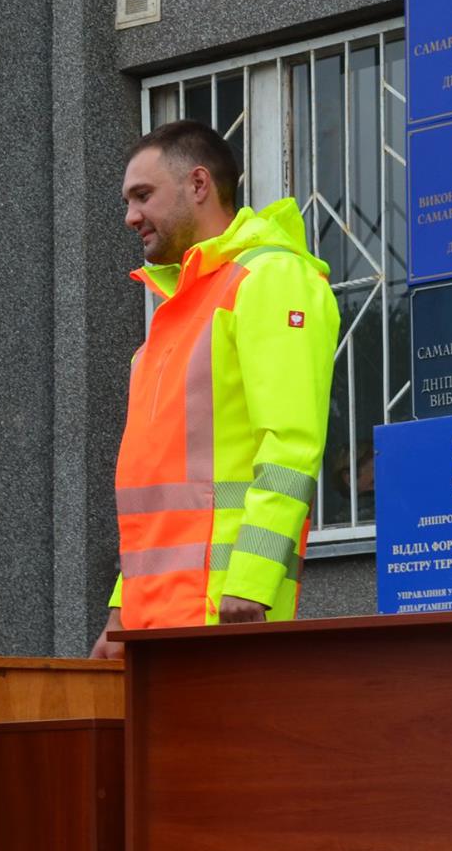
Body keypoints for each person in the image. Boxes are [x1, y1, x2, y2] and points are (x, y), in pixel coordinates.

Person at [89, 120, 339, 658]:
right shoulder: (180, 309)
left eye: (143, 195)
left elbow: (290, 443)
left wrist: (250, 580)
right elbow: (157, 495)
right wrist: (119, 611)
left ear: (198, 184)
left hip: (225, 610)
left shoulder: (269, 279)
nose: (130, 216)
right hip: (160, 619)